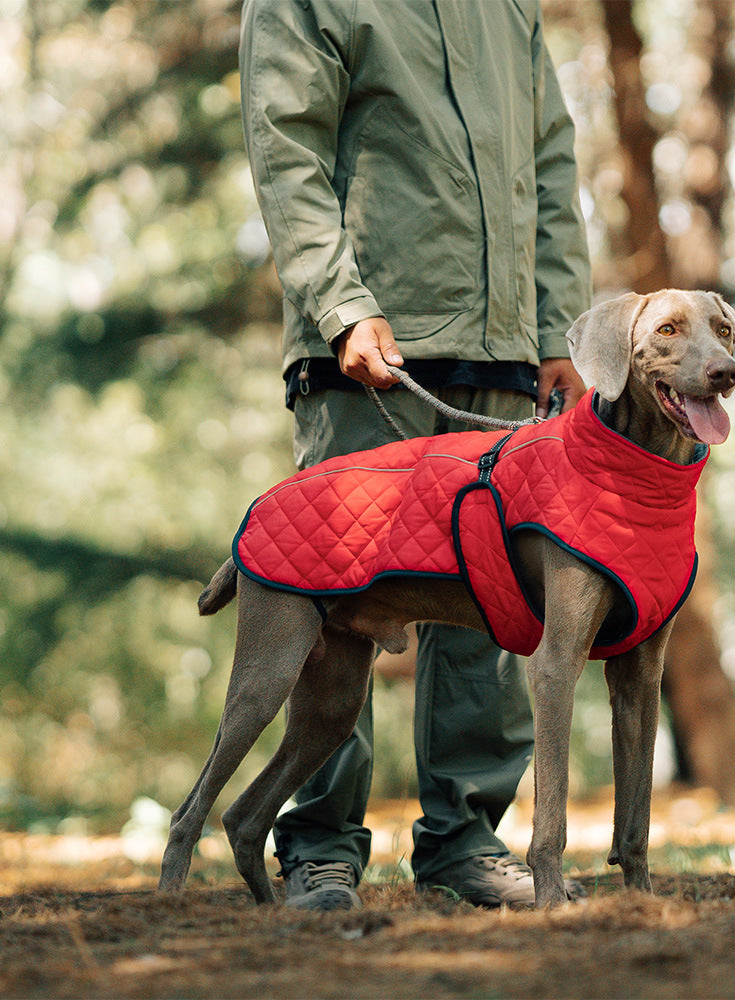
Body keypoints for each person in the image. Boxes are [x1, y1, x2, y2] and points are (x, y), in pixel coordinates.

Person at [238, 0, 592, 911]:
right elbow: (288, 148)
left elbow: (552, 164)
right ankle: (316, 847)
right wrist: (338, 302)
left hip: (507, 356)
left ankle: (466, 839)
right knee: (336, 606)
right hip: (366, 350)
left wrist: (560, 330)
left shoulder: (509, 9)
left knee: (499, 609)